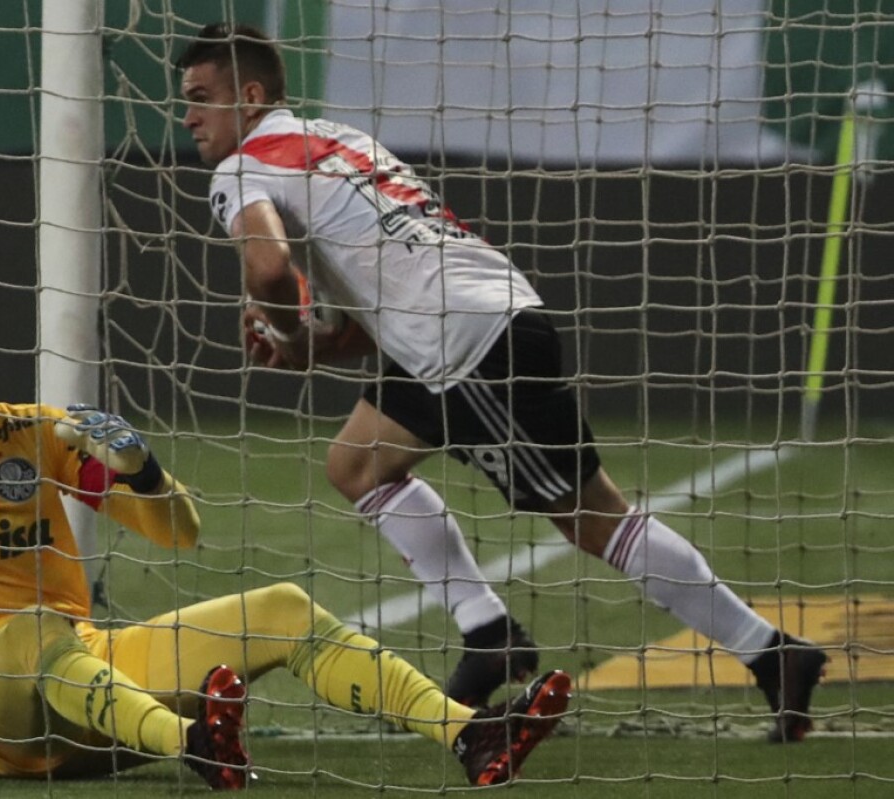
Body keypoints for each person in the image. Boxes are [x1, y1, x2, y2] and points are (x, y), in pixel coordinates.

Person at [175, 23, 827, 743]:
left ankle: (772, 654)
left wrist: (291, 336)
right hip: (476, 321)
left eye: (202, 98)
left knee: (593, 519)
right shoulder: (338, 140)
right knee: (356, 464)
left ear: (254, 96)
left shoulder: (240, 172)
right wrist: (318, 345)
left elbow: (268, 270)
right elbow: (374, 310)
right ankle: (490, 636)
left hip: (470, 347)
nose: (190, 117)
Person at [0, 337, 572, 788]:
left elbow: (178, 530)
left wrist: (141, 469)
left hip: (88, 705)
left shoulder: (33, 435)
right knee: (35, 629)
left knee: (281, 607)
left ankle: (472, 735)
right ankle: (197, 741)